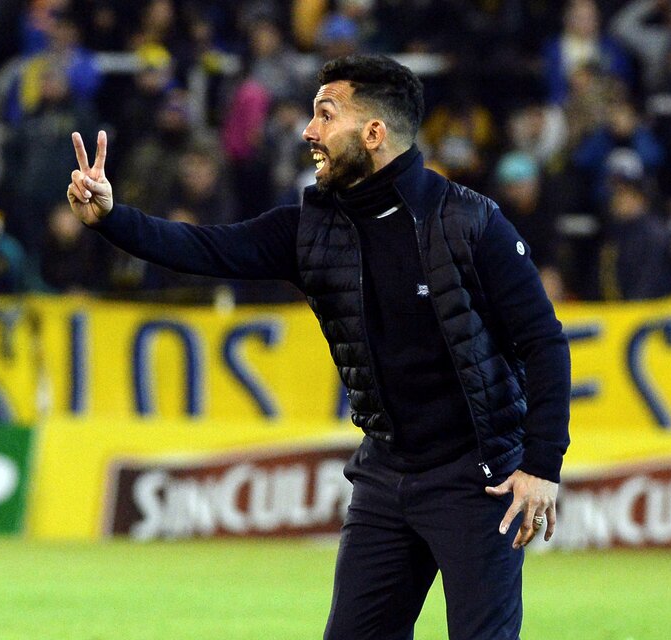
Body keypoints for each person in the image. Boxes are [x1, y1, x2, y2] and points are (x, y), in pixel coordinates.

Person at [67, 55, 571, 639]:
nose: (309, 132)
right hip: (386, 474)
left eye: (325, 115)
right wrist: (111, 217)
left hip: (479, 480)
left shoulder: (470, 223)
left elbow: (544, 343)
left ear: (374, 133)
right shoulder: (311, 227)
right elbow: (204, 248)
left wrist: (541, 465)